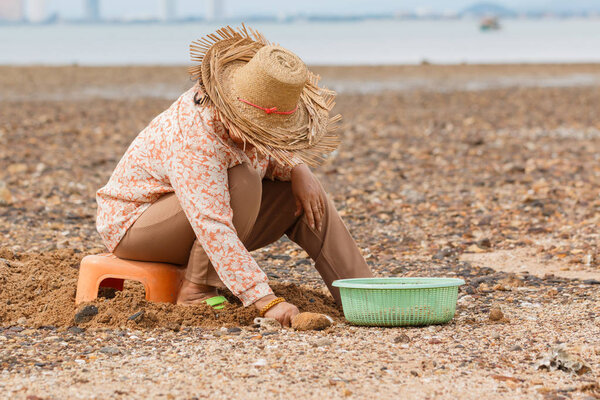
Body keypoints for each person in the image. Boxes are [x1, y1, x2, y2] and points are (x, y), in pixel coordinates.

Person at [95, 26, 373, 327]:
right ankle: (196, 289)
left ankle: (366, 298)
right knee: (244, 178)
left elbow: (267, 157)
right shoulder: (193, 135)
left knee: (306, 195)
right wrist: (264, 300)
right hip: (135, 226)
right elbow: (211, 222)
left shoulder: (241, 123)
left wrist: (298, 169)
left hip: (197, 217)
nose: (265, 137)